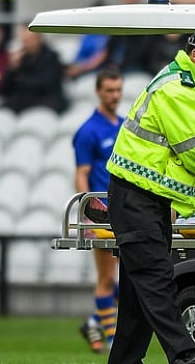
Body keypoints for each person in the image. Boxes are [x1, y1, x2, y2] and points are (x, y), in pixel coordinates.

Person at [105, 26, 195, 364]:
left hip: (142, 199)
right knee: (157, 280)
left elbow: (176, 155)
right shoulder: (178, 90)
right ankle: (184, 355)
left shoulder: (180, 86)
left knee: (138, 295)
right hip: (137, 200)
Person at [73, 69, 124, 354]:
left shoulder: (124, 125)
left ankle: (95, 321)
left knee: (130, 277)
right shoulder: (88, 131)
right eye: (109, 90)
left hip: (125, 209)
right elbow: (81, 174)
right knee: (107, 278)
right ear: (98, 91)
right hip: (101, 212)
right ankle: (114, 342)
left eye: (118, 90)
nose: (114, 96)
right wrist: (87, 211)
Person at [2, 23, 68, 114]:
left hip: (47, 98)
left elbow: (46, 83)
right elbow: (6, 87)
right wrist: (12, 68)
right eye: (24, 40)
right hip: (26, 99)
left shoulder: (51, 57)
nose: (27, 43)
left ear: (39, 38)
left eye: (30, 40)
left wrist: (21, 80)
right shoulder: (20, 58)